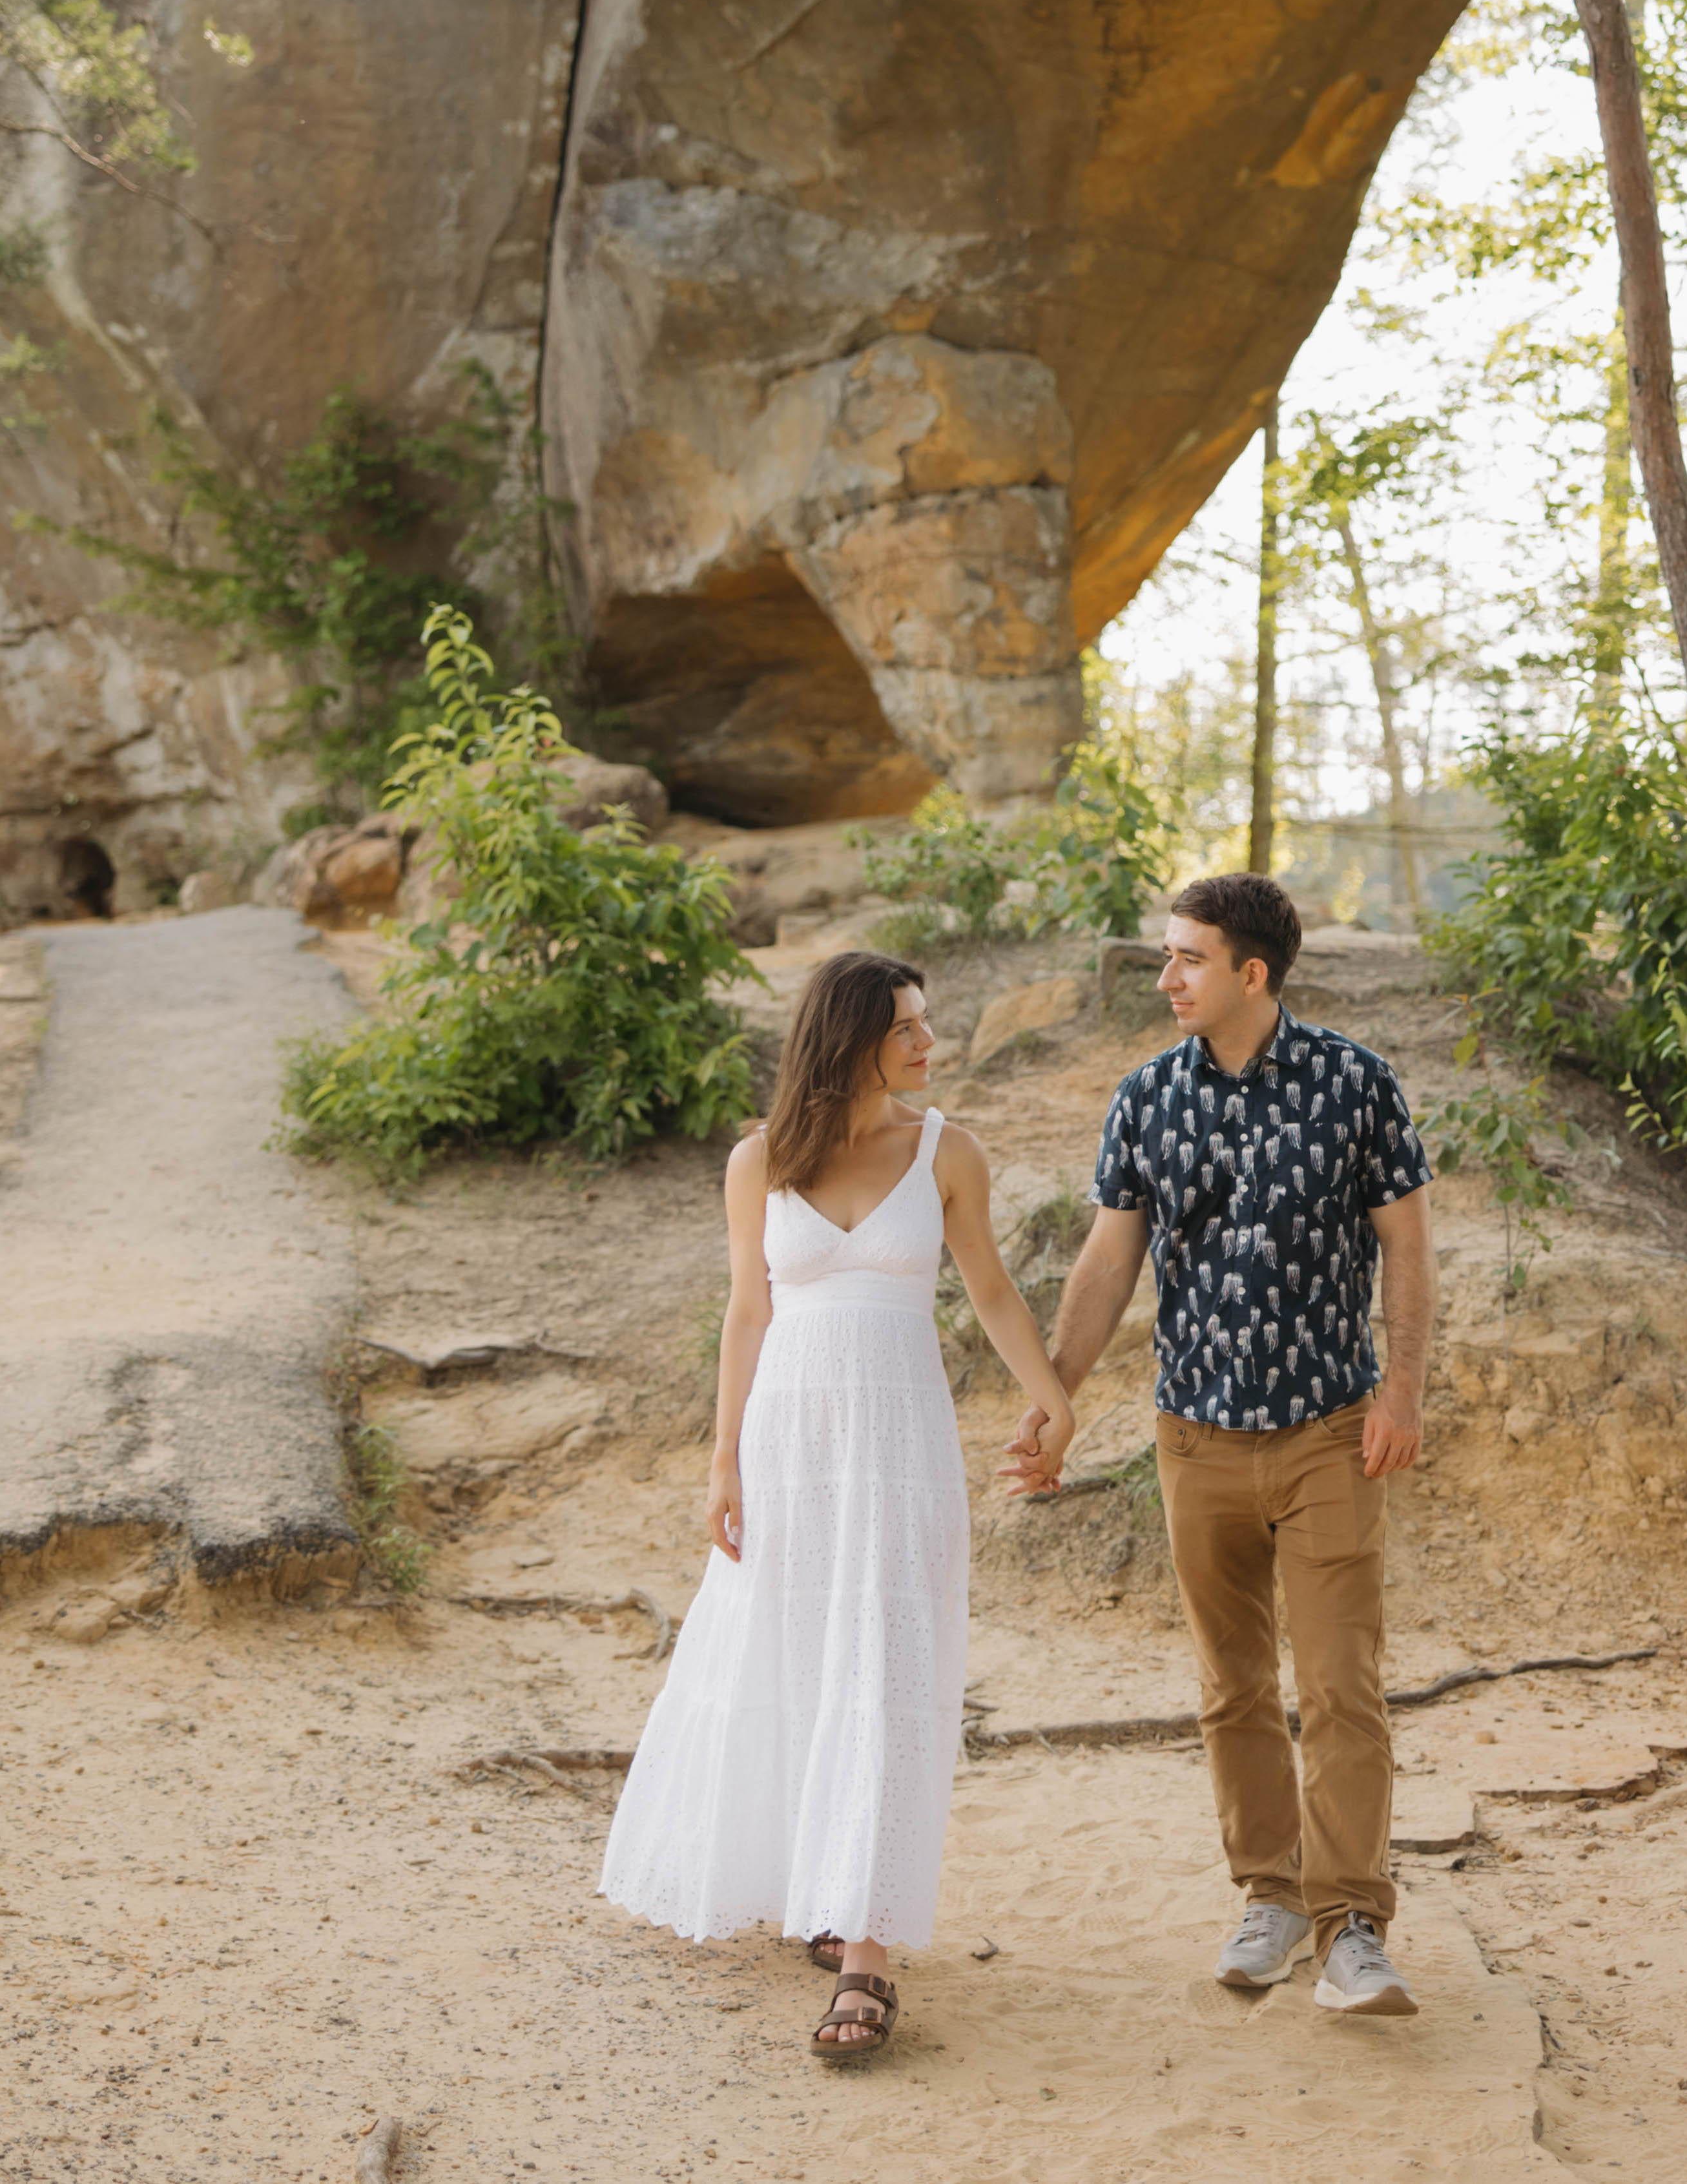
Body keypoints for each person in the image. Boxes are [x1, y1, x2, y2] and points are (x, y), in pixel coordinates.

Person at [601, 949, 1075, 2062]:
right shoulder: (759, 1160)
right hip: (788, 1440)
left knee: (888, 1670)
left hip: (900, 1441)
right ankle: (821, 1889)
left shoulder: (947, 1152)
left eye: (925, 1024)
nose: (926, 1043)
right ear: (851, 1034)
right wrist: (724, 1460)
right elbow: (744, 1314)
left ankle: (866, 1956)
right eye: (906, 1025)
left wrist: (1054, 1400)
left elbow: (992, 1290)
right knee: (793, 1660)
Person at [1004, 871, 1435, 2015]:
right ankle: (1273, 1895)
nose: (1167, 978)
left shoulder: (1356, 1084)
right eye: (1166, 956)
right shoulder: (1145, 1099)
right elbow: (1107, 1263)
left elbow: (1407, 1248)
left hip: (1332, 1433)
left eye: (1188, 958)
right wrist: (1056, 1399)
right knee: (1233, 1687)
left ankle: (1352, 1928)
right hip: (1195, 1440)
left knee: (1342, 1686)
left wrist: (1401, 1393)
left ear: (1253, 971)